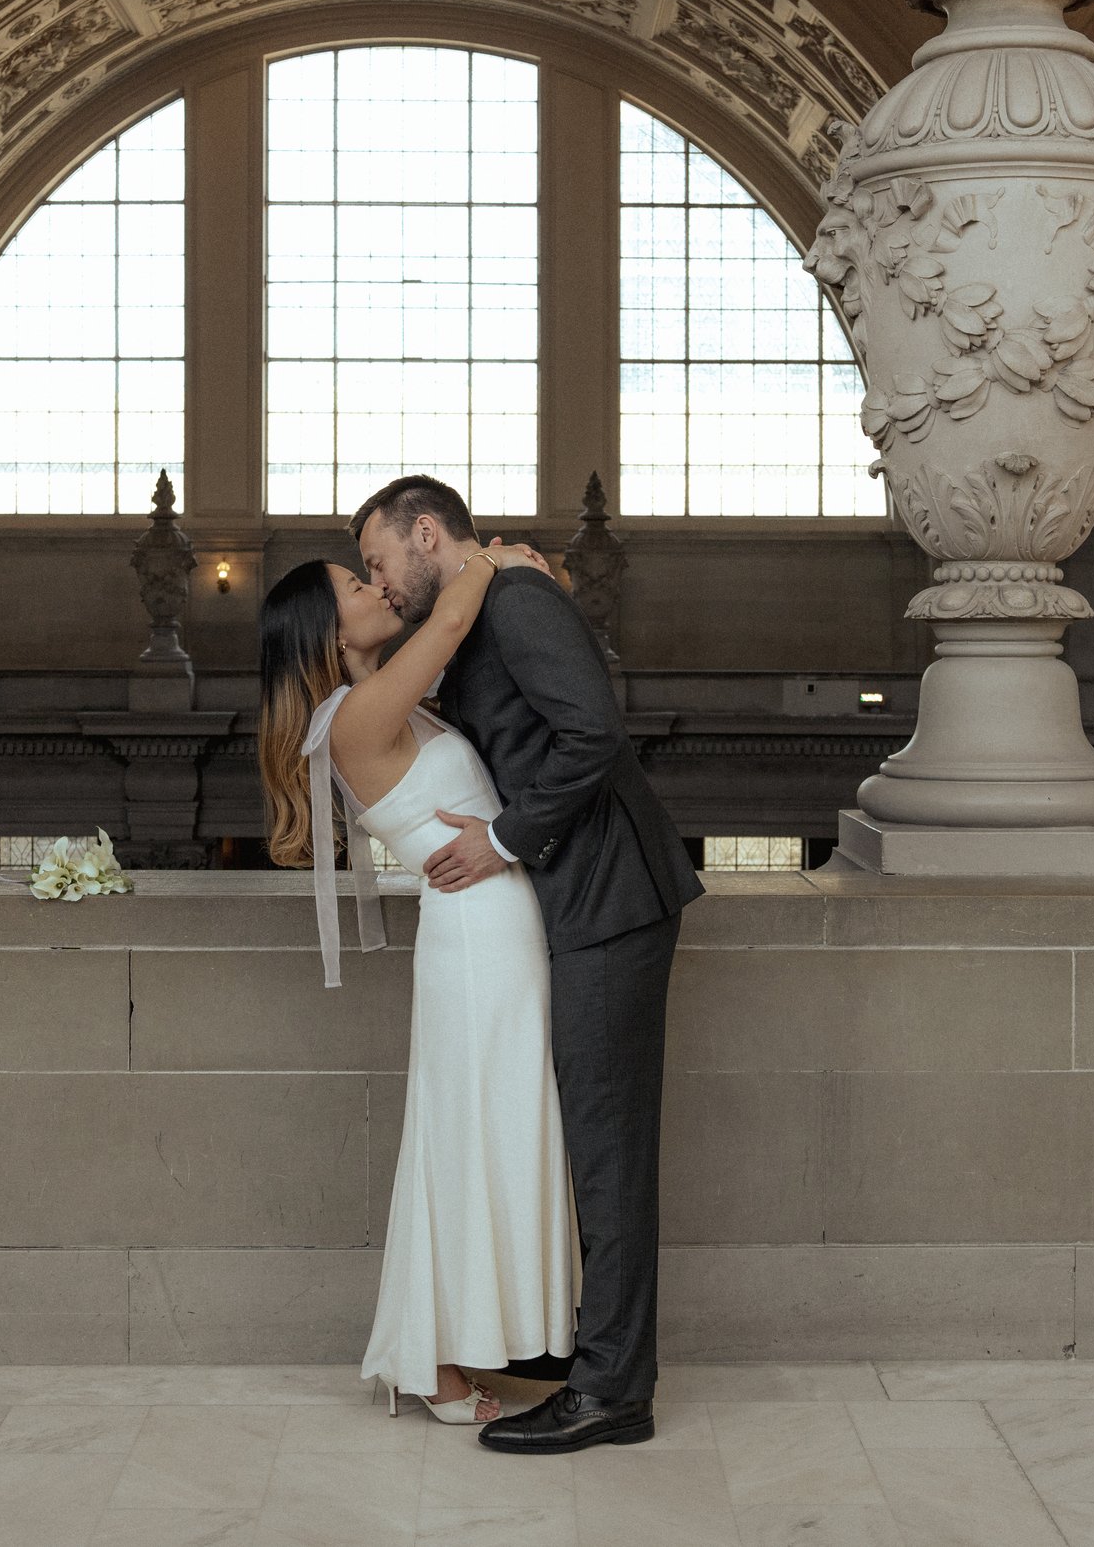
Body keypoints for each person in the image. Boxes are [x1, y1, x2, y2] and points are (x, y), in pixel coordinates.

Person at [354, 475, 703, 1456]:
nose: (380, 584)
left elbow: (594, 730)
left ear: (427, 533)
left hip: (610, 903)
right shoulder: (490, 599)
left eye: (382, 560)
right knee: (593, 1144)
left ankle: (611, 1393)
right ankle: (590, 1359)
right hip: (581, 904)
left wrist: (503, 837)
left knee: (609, 1152)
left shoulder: (515, 597)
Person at [258, 535, 569, 1424]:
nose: (377, 586)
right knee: (468, 1135)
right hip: (476, 943)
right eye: (358, 584)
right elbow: (459, 610)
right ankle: (434, 1365)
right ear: (329, 626)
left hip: (495, 932)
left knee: (481, 1131)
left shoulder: (392, 701)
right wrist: (483, 555)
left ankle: (449, 1351)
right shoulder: (353, 719)